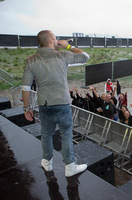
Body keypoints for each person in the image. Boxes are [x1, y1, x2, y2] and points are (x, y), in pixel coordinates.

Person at [22, 30, 88, 177]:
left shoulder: (31, 59)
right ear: (51, 40)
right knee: (66, 134)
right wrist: (68, 47)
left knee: (46, 134)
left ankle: (46, 162)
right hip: (62, 102)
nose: (58, 40)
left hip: (44, 103)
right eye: (56, 38)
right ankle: (70, 166)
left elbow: (26, 87)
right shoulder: (62, 55)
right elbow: (85, 57)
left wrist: (27, 108)